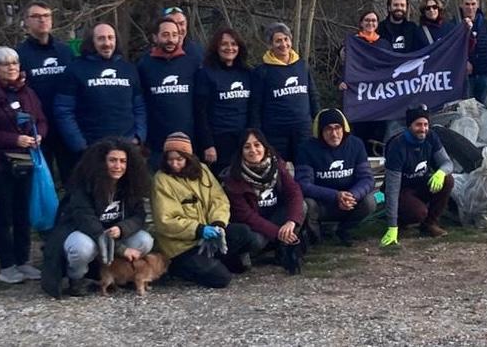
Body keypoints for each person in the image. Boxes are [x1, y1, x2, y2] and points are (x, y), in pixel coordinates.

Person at [41, 138, 153, 298]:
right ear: (101, 162)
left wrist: (122, 228)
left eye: (123, 161)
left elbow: (139, 216)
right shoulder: (83, 186)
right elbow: (86, 221)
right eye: (112, 160)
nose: (118, 166)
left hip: (113, 236)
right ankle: (76, 279)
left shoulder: (130, 184)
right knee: (83, 248)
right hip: (84, 233)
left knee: (145, 240)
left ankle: (115, 274)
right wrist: (122, 248)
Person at [0, 47, 48, 285]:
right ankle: (7, 264)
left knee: (23, 213)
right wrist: (13, 139)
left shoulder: (29, 92)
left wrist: (40, 136)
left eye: (15, 63)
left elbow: (41, 120)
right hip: (0, 163)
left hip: (26, 162)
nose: (12, 67)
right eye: (5, 64)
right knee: (3, 216)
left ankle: (23, 260)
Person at [151, 133, 258, 288]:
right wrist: (199, 229)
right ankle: (178, 268)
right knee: (222, 279)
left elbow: (219, 199)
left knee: (245, 234)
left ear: (188, 157)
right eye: (170, 159)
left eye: (179, 159)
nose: (174, 164)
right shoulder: (161, 180)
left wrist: (218, 224)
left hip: (209, 236)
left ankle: (215, 259)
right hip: (182, 246)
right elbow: (165, 220)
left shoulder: (202, 170)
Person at [53, 23, 147, 173]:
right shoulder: (75, 69)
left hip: (125, 148)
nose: (107, 43)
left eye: (111, 38)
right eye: (101, 39)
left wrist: (139, 136)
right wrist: (79, 144)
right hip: (91, 150)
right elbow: (63, 110)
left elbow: (139, 106)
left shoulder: (128, 68)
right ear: (92, 42)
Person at [224, 129, 307, 275]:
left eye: (257, 145)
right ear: (241, 151)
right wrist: (278, 233)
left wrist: (291, 222)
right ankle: (250, 253)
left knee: (302, 207)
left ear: (265, 147)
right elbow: (246, 216)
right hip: (253, 225)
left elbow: (294, 192)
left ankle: (282, 249)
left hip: (275, 216)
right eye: (247, 146)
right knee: (255, 240)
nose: (253, 150)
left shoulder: (277, 164)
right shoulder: (233, 177)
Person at [295, 109, 376, 246]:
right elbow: (303, 184)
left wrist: (353, 195)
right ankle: (315, 237)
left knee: (371, 201)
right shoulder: (306, 149)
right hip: (322, 204)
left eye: (337, 128)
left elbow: (367, 178)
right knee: (307, 204)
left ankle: (345, 231)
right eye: (328, 129)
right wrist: (335, 195)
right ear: (320, 131)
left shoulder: (356, 144)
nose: (334, 134)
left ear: (344, 128)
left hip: (349, 202)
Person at [380, 106, 454, 247]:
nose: (423, 129)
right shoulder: (397, 146)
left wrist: (441, 172)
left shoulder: (431, 137)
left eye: (425, 124)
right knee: (418, 213)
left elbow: (447, 163)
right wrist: (392, 226)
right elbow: (392, 189)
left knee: (448, 180)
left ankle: (429, 224)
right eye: (418, 125)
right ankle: (400, 222)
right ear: (409, 126)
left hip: (421, 183)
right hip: (402, 189)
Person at [16, 1, 73, 180]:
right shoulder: (19, 54)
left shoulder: (65, 51)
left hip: (65, 126)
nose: (42, 20)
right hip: (37, 129)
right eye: (36, 16)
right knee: (41, 182)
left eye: (46, 16)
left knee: (72, 179)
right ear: (26, 21)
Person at [250, 23, 319, 163]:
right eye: (278, 40)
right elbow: (255, 105)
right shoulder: (262, 71)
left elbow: (312, 95)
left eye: (286, 39)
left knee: (305, 167)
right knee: (279, 171)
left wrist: (318, 120)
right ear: (270, 45)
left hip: (302, 130)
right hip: (275, 133)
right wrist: (256, 133)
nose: (283, 44)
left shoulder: (302, 65)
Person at [137, 18, 197, 170]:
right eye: (165, 35)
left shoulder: (192, 63)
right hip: (157, 145)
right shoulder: (144, 65)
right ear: (155, 37)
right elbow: (139, 103)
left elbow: (200, 103)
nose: (170, 39)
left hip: (189, 142)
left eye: (174, 35)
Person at [194, 28, 253, 177]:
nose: (230, 48)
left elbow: (253, 108)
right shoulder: (206, 73)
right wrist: (208, 144)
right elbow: (200, 112)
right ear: (216, 47)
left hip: (243, 140)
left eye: (234, 44)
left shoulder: (247, 73)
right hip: (218, 142)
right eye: (224, 44)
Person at [338, 10, 390, 147]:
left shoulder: (384, 44)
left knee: (378, 134)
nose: (370, 23)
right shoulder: (353, 43)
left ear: (378, 24)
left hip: (379, 96)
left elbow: (391, 68)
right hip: (358, 96)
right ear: (361, 23)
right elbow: (346, 67)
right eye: (367, 20)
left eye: (373, 20)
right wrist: (342, 82)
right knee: (358, 133)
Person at [461, 0, 487, 104]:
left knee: (485, 109)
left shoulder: (486, 24)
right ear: (461, 5)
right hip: (465, 77)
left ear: (477, 5)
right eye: (467, 4)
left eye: (473, 4)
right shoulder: (455, 24)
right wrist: (465, 62)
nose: (470, 7)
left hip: (484, 74)